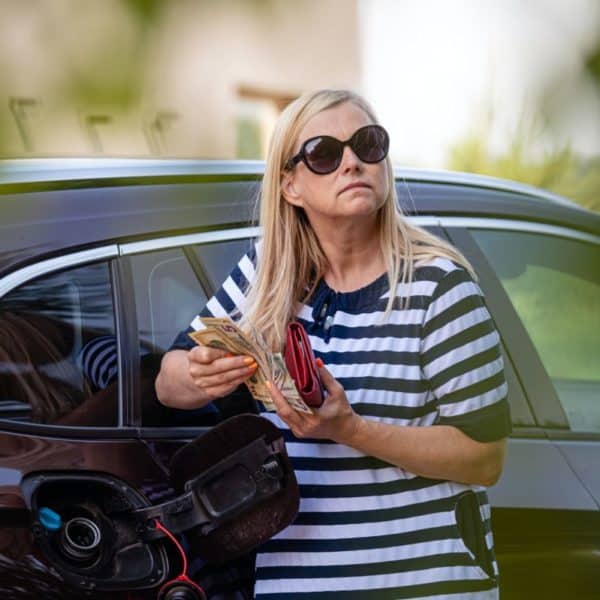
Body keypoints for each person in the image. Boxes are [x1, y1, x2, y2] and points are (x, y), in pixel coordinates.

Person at [156, 89, 511, 599]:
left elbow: (485, 458)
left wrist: (351, 430)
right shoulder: (267, 277)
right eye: (325, 153)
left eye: (368, 145)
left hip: (421, 585)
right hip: (295, 585)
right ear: (290, 186)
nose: (352, 162)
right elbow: (169, 383)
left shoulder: (439, 285)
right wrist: (197, 374)